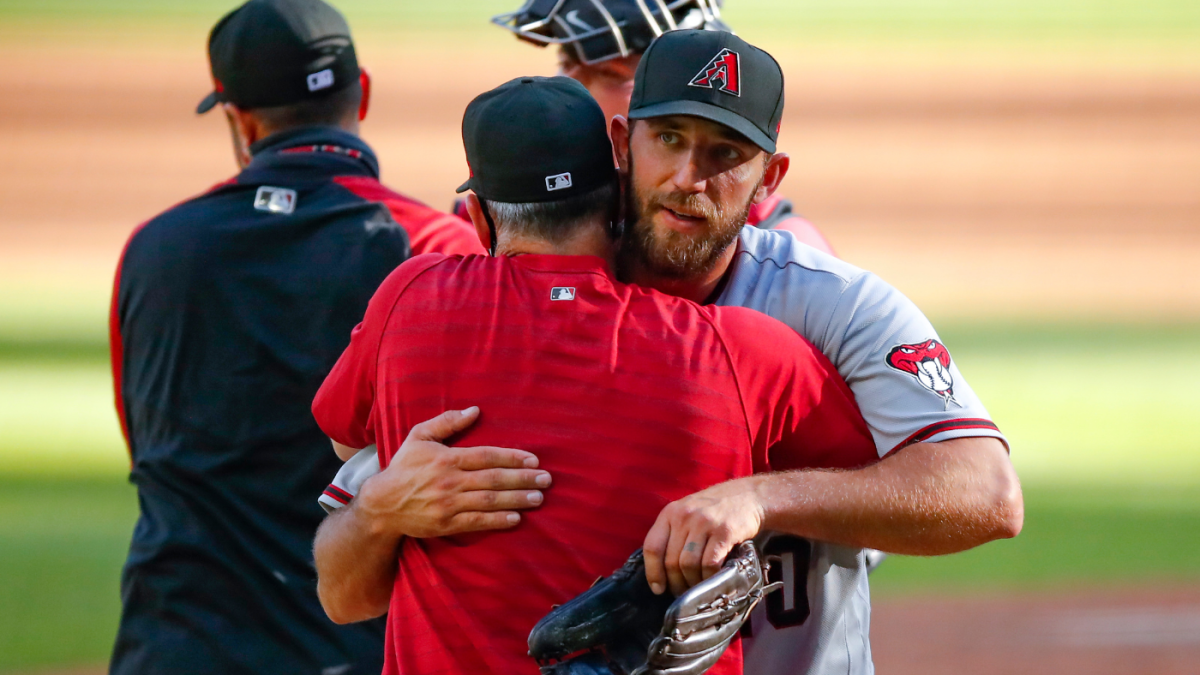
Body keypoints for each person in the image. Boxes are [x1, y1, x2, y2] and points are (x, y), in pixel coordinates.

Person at [317, 30, 1023, 675]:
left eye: (725, 154)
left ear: (767, 179)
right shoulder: (513, 306)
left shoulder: (831, 307)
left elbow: (988, 495)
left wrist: (759, 495)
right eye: (671, 139)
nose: (690, 176)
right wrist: (378, 509)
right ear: (623, 143)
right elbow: (345, 587)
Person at [107, 1, 477, 673]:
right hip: (354, 645)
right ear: (360, 93)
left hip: (173, 643)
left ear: (239, 120)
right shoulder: (436, 251)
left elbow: (148, 445)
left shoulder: (154, 247)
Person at [471, 0, 835, 253]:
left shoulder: (782, 245)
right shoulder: (514, 201)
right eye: (566, 63)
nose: (569, 89)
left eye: (609, 75)